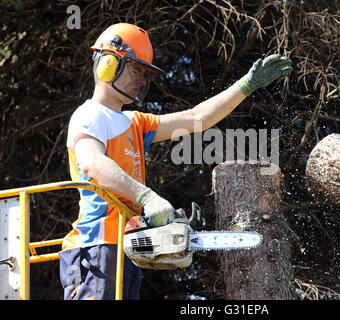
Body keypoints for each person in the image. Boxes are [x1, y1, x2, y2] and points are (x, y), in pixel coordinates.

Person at [59, 22, 292, 300]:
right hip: (95, 246)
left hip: (122, 247)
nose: (142, 80)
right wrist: (146, 197)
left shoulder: (135, 122)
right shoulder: (88, 116)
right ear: (108, 64)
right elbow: (92, 164)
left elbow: (197, 118)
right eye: (136, 70)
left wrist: (245, 85)